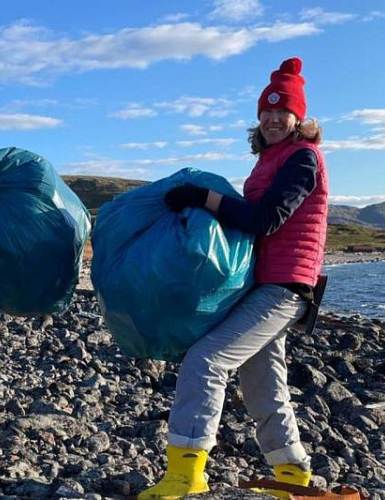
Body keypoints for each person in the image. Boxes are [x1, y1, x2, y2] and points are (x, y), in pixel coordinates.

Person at [138, 57, 328, 499]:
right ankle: (292, 476)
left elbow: (266, 218)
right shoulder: (270, 159)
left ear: (299, 118)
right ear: (258, 118)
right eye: (266, 112)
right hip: (266, 283)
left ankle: (186, 473)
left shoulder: (303, 158)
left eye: (283, 112)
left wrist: (203, 198)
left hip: (287, 285)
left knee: (206, 359)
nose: (274, 119)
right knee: (262, 378)